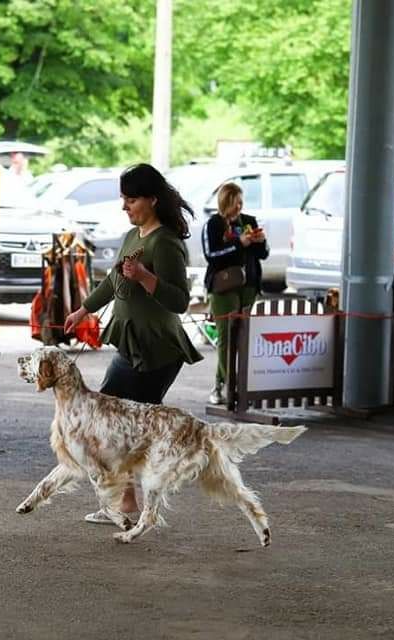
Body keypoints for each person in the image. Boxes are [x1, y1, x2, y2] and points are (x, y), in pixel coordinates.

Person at [64, 163, 203, 523]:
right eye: (123, 199)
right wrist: (83, 310)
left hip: (155, 351)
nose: (124, 206)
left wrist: (144, 277)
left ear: (152, 200)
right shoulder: (134, 236)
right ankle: (125, 505)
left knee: (117, 425)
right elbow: (112, 282)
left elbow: (180, 301)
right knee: (118, 426)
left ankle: (126, 505)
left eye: (131, 199)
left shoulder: (166, 243)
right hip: (132, 346)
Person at [202, 182, 268, 404]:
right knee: (226, 337)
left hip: (249, 284)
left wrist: (260, 241)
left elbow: (263, 254)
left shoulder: (248, 221)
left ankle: (234, 384)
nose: (239, 206)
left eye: (241, 201)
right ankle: (228, 386)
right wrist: (239, 243)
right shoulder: (213, 224)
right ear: (224, 202)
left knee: (245, 337)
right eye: (234, 202)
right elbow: (212, 255)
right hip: (223, 286)